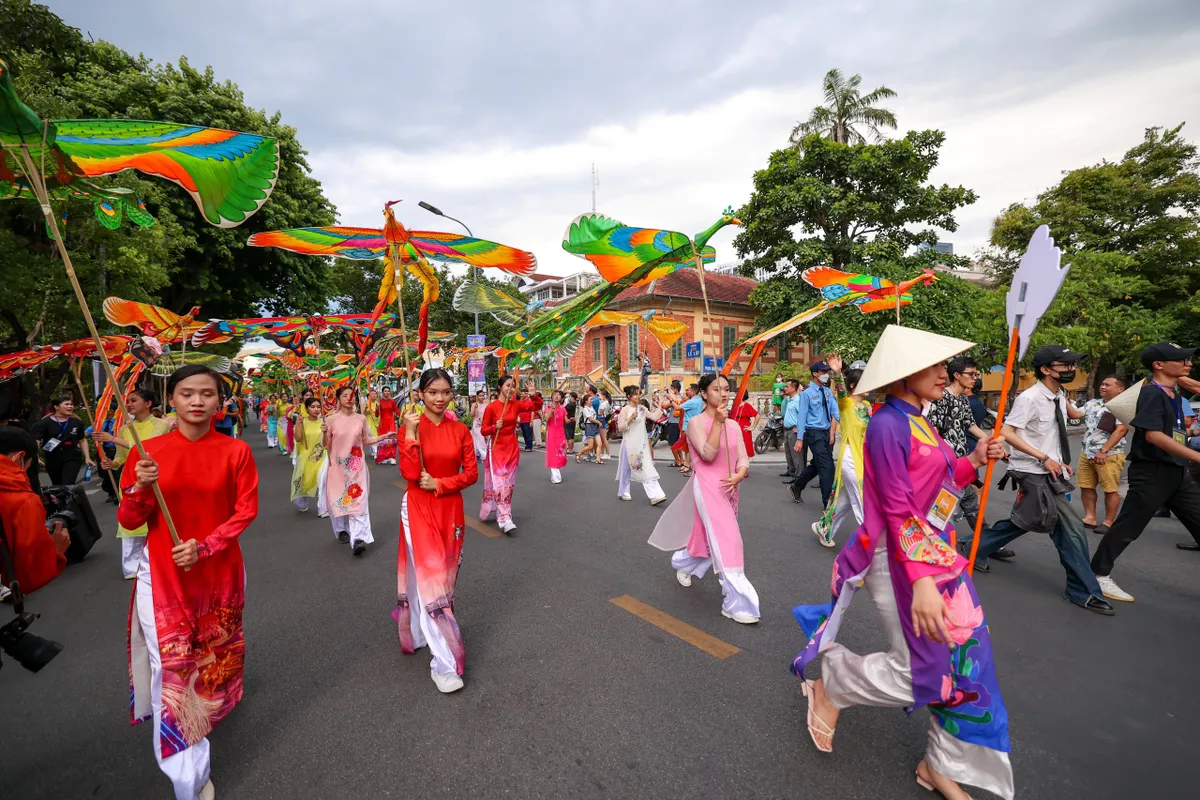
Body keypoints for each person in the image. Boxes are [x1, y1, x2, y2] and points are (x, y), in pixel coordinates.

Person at [791, 325, 1013, 800]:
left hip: (937, 554)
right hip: (899, 557)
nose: (945, 373)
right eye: (934, 366)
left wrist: (975, 456)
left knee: (965, 665)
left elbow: (947, 477)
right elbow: (898, 507)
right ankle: (834, 686)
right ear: (903, 373)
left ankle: (940, 767)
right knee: (925, 670)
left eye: (944, 365)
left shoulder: (921, 419)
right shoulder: (888, 425)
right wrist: (924, 582)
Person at [118, 364, 259, 800]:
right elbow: (128, 519)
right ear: (171, 401)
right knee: (174, 670)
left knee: (211, 660)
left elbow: (245, 511)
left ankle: (202, 728)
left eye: (207, 393)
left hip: (219, 575)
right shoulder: (148, 452)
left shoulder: (235, 451)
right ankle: (188, 777)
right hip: (162, 579)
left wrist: (207, 545)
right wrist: (140, 487)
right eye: (186, 393)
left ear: (220, 401)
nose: (197, 401)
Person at [965, 345, 1114, 616]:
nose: (1071, 370)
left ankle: (971, 547)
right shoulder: (1030, 398)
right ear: (1046, 369)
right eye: (1065, 365)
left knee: (1028, 520)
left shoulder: (1058, 395)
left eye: (1072, 365)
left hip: (1053, 471)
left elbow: (1061, 425)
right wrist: (1043, 456)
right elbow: (1007, 432)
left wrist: (1058, 457)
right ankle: (1082, 590)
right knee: (1070, 530)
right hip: (1033, 472)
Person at [1091, 343, 1200, 601]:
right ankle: (1097, 574)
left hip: (1176, 471)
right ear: (1158, 365)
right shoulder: (1152, 394)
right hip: (1152, 472)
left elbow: (1175, 432)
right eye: (1181, 359)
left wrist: (1192, 435)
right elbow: (1153, 436)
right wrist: (1197, 455)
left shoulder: (1174, 394)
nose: (1188, 363)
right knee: (1128, 526)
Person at [394, 369, 479, 694]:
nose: (440, 398)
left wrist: (442, 483)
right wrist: (412, 433)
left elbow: (471, 473)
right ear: (421, 394)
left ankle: (415, 631)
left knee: (442, 578)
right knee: (433, 584)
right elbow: (410, 472)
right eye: (433, 392)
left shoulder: (460, 430)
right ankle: (443, 662)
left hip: (450, 509)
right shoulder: (410, 426)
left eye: (445, 392)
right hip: (417, 507)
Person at [649, 373, 758, 623]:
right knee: (728, 540)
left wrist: (740, 475)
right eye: (717, 389)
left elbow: (743, 457)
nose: (724, 393)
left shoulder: (732, 424)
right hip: (707, 486)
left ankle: (683, 564)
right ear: (704, 394)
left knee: (709, 539)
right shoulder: (696, 423)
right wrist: (717, 423)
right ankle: (737, 602)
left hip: (730, 489)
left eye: (727, 389)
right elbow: (708, 455)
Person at [926, 356, 1009, 558]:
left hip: (963, 462)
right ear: (956, 375)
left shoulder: (963, 399)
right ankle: (936, 546)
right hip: (947, 465)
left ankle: (985, 543)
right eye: (971, 374)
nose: (974, 378)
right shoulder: (941, 398)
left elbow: (971, 426)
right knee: (946, 509)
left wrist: (993, 441)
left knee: (969, 505)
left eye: (975, 374)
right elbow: (934, 431)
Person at [97, 388, 173, 579]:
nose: (128, 404)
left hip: (156, 476)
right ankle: (131, 567)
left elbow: (146, 446)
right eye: (127, 401)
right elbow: (121, 458)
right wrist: (111, 464)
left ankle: (161, 559)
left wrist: (112, 438)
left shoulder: (162, 425)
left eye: (133, 400)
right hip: (130, 478)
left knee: (159, 519)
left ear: (148, 404)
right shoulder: (124, 428)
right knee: (130, 521)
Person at [324, 386, 394, 555]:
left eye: (351, 395)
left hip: (356, 467)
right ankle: (342, 530)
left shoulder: (361, 419)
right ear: (338, 399)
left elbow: (365, 440)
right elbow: (325, 445)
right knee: (339, 501)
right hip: (337, 467)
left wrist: (384, 437)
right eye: (345, 395)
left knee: (358, 501)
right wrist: (323, 433)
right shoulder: (330, 420)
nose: (349, 398)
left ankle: (358, 539)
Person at [0, 426, 69, 595]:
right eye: (28, 466)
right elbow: (29, 578)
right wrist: (55, 552)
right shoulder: (21, 500)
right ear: (19, 458)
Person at [811, 355, 870, 548]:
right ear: (853, 386)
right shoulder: (847, 404)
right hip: (850, 457)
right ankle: (872, 542)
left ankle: (824, 527)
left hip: (864, 457)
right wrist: (837, 372)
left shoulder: (867, 407)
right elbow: (842, 394)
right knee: (862, 498)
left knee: (844, 500)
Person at [480, 377, 541, 534]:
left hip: (512, 449)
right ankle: (505, 518)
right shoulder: (491, 408)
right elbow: (483, 430)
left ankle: (502, 512)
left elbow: (535, 406)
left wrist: (533, 395)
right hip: (497, 450)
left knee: (509, 485)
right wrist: (495, 427)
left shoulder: (515, 405)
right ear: (500, 386)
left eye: (513, 386)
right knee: (501, 485)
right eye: (508, 385)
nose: (511, 389)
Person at [1078, 376, 1130, 536]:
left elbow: (1121, 430)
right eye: (1102, 384)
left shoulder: (1122, 406)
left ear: (1120, 389)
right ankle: (1090, 517)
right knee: (1086, 486)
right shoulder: (1093, 403)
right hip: (1087, 453)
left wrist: (1104, 450)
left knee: (1110, 489)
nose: (1103, 387)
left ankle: (1108, 521)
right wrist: (1060, 395)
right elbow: (1075, 414)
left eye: (1108, 385)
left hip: (1109, 455)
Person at [788, 362, 840, 507]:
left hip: (826, 432)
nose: (826, 374)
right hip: (814, 433)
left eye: (827, 371)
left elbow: (836, 412)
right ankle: (828, 505)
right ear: (815, 374)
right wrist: (800, 439)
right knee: (827, 466)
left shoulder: (828, 392)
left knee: (818, 464)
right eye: (823, 371)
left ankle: (797, 486)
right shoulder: (806, 394)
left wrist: (836, 430)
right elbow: (802, 417)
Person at [616, 385, 667, 504]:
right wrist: (630, 419)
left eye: (638, 394)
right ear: (629, 397)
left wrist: (659, 405)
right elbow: (621, 428)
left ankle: (656, 495)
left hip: (642, 445)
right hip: (629, 444)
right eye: (635, 394)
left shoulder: (642, 409)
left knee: (646, 467)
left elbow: (654, 417)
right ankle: (624, 491)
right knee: (625, 470)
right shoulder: (625, 410)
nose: (638, 396)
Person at [31, 394, 94, 485]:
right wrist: (35, 456)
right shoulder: (44, 423)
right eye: (66, 404)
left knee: (68, 484)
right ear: (56, 407)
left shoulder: (77, 422)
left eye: (71, 404)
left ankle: (69, 497)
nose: (70, 406)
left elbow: (82, 440)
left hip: (72, 457)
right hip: (52, 458)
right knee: (57, 485)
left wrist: (87, 457)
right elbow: (36, 441)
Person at [290, 397, 325, 513]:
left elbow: (327, 441)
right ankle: (301, 499)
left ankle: (323, 507)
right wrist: (299, 424)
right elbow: (298, 438)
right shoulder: (302, 422)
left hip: (322, 456)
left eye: (318, 407)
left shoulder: (324, 422)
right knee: (305, 482)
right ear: (306, 409)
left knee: (323, 481)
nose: (316, 409)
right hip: (306, 456)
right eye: (313, 407)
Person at [678, 382, 705, 476]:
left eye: (688, 390)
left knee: (691, 448)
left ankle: (693, 468)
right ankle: (687, 465)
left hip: (691, 427)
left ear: (693, 391)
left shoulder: (693, 401)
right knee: (688, 447)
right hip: (694, 426)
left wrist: (670, 400)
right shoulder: (699, 400)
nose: (686, 391)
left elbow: (678, 407)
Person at [779, 378, 804, 479]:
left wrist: (799, 428)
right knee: (788, 453)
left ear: (794, 388)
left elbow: (803, 416)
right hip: (787, 429)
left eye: (787, 386)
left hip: (793, 430)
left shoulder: (798, 400)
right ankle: (791, 471)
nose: (785, 388)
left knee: (796, 455)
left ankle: (798, 476)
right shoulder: (789, 399)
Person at [543, 390, 568, 484]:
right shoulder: (548, 407)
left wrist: (570, 420)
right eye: (555, 395)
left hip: (560, 433)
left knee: (560, 454)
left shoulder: (563, 409)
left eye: (559, 395)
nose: (557, 396)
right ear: (552, 397)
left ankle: (556, 473)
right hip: (552, 433)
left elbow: (565, 421)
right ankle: (556, 477)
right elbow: (546, 418)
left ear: (561, 398)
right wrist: (551, 409)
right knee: (553, 453)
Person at [577, 385, 602, 464]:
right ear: (586, 401)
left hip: (595, 426)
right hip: (589, 426)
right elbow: (590, 418)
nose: (592, 401)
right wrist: (598, 422)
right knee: (590, 446)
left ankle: (598, 459)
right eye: (590, 400)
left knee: (599, 443)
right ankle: (579, 454)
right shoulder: (585, 409)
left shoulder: (591, 408)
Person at [729, 393, 759, 460]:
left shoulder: (746, 406)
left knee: (745, 452)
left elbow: (757, 416)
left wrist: (752, 427)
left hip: (744, 431)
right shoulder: (734, 406)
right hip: (734, 431)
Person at [375, 386, 398, 465]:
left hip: (391, 422)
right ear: (382, 392)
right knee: (383, 440)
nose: (387, 392)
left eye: (388, 391)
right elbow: (377, 415)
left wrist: (403, 413)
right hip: (383, 423)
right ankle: (383, 456)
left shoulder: (392, 402)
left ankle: (392, 457)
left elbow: (396, 410)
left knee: (391, 439)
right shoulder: (379, 402)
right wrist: (377, 408)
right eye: (385, 391)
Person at [469, 390, 489, 462]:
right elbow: (471, 415)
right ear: (477, 396)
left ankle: (477, 454)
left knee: (476, 440)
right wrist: (474, 408)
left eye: (483, 395)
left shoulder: (486, 404)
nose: (482, 397)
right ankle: (484, 456)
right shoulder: (474, 404)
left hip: (484, 424)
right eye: (480, 396)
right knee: (481, 439)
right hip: (477, 424)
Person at [364, 389, 381, 460]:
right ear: (369, 396)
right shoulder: (366, 403)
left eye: (375, 394)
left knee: (374, 436)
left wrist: (378, 407)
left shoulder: (378, 403)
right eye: (372, 394)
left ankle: (375, 451)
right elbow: (363, 414)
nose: (374, 395)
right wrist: (365, 409)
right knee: (370, 437)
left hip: (376, 422)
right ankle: (375, 451)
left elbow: (379, 414)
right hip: (368, 422)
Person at [597, 389, 613, 463]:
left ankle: (607, 453)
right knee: (603, 438)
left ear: (604, 395)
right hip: (605, 419)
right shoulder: (609, 403)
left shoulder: (603, 403)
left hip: (601, 419)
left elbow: (600, 413)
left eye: (601, 395)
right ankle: (603, 453)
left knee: (603, 438)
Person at [563, 391, 578, 455]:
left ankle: (569, 449)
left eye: (570, 396)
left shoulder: (570, 404)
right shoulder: (574, 404)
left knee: (568, 436)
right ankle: (571, 448)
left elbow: (563, 409)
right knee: (572, 436)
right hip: (572, 421)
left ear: (572, 397)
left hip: (568, 420)